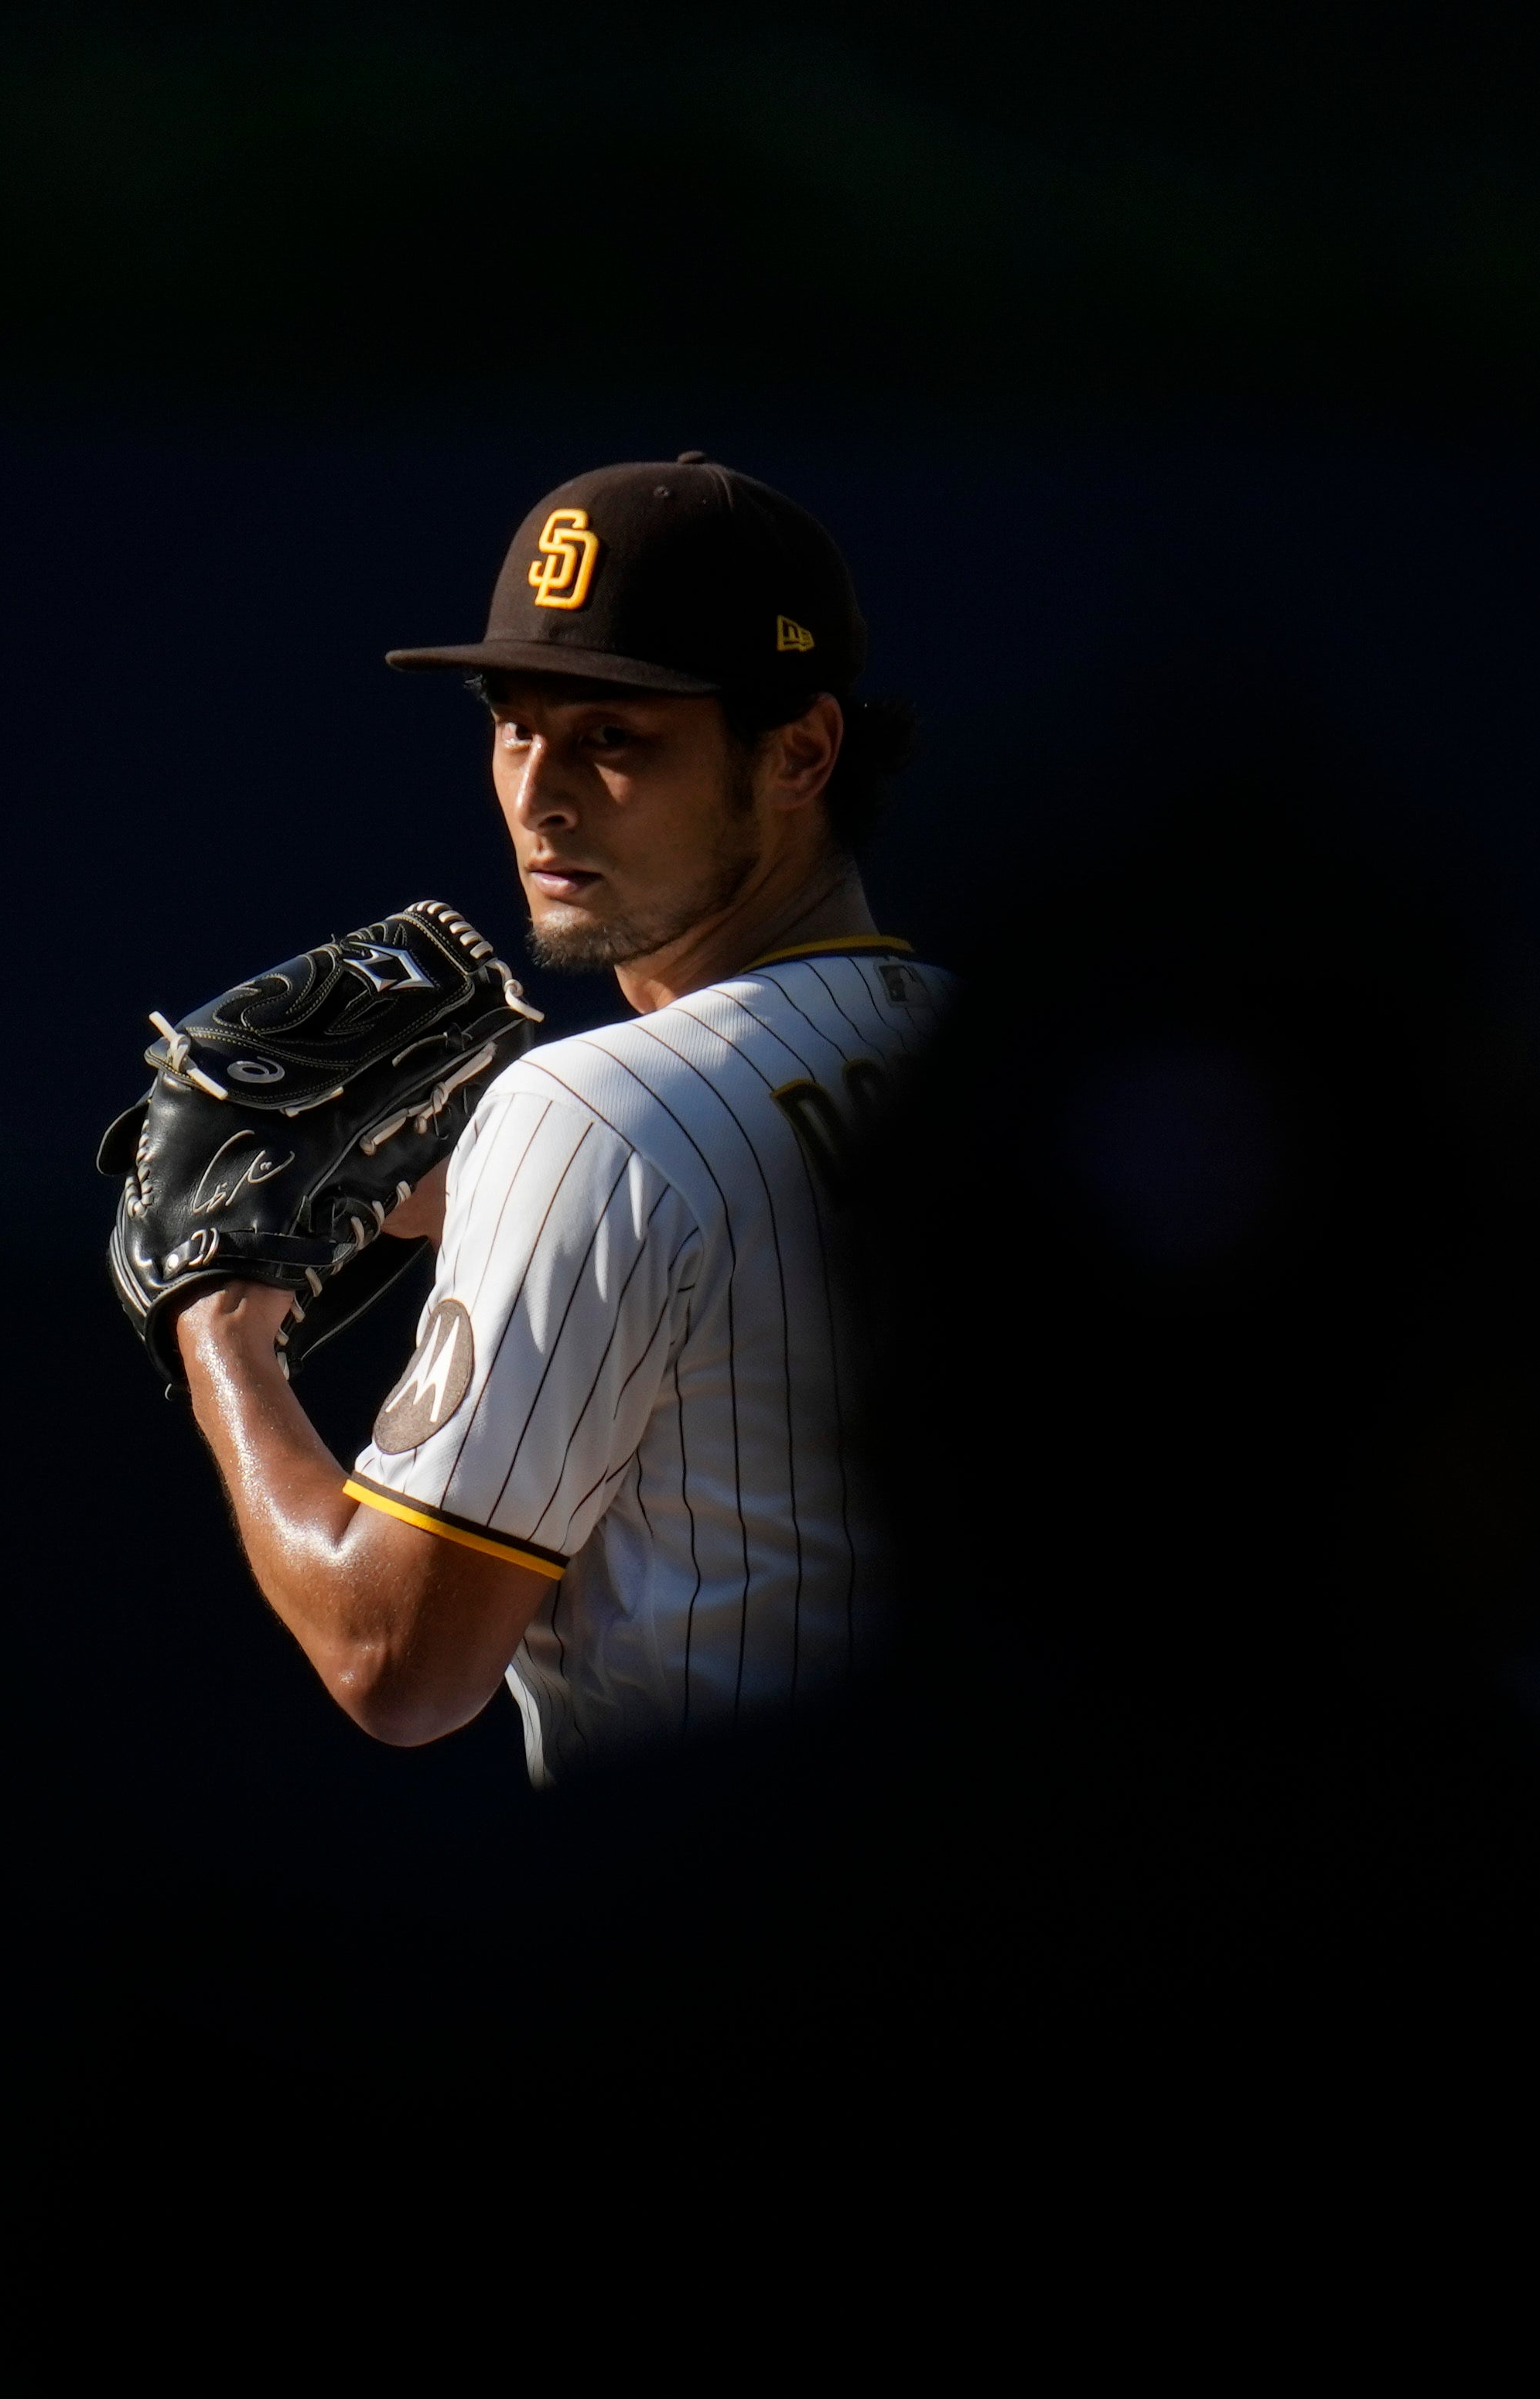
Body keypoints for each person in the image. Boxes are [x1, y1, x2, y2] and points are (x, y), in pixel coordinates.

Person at [171, 456, 938, 1784]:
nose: (540, 791)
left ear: (802, 750)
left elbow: (396, 1659)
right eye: (515, 722)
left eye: (614, 737)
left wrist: (218, 1333)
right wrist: (489, 1193)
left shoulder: (590, 1118)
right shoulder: (975, 1053)